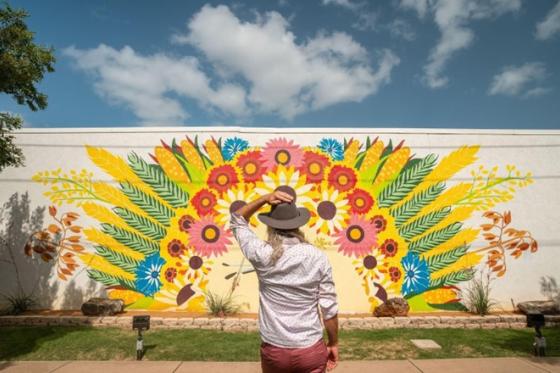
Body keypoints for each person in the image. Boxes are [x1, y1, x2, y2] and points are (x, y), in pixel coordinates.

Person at [230, 186, 339, 373]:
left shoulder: (261, 254)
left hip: (275, 350)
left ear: (270, 225)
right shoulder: (317, 257)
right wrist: (333, 343)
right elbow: (328, 307)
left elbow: (237, 219)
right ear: (298, 224)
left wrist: (265, 199)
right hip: (310, 349)